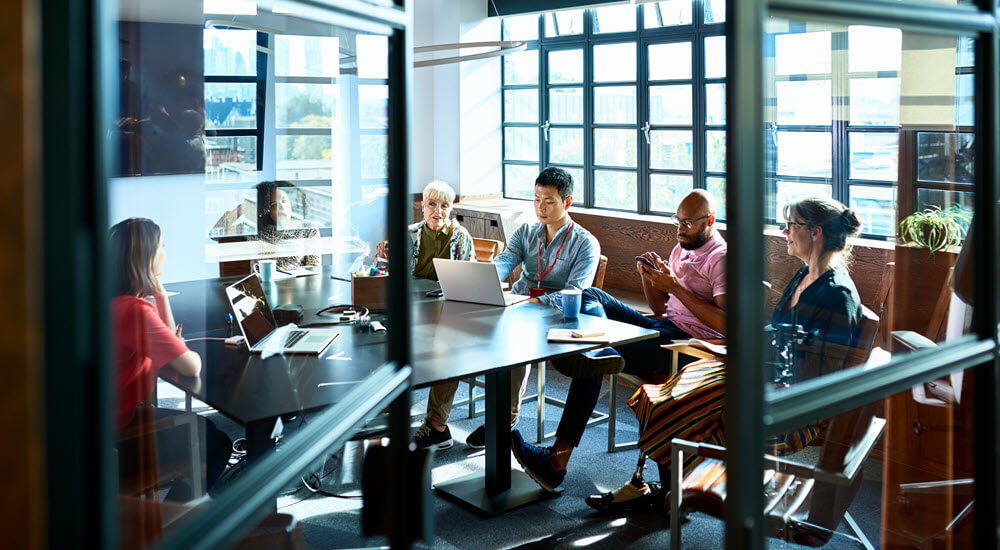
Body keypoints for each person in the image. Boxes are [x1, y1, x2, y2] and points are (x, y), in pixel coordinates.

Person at [583, 195, 864, 513]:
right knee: (663, 394)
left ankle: (673, 493)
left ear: (816, 232)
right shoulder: (805, 275)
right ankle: (667, 489)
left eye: (791, 226)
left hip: (790, 403)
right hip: (764, 375)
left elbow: (815, 377)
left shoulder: (836, 295)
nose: (785, 232)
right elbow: (779, 337)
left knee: (672, 403)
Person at [508, 189, 727, 492]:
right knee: (592, 295)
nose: (679, 230)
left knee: (596, 356)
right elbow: (660, 308)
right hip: (664, 325)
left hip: (691, 345)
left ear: (710, 220)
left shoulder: (721, 260)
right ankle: (591, 345)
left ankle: (556, 461)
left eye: (687, 224)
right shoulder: (682, 249)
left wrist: (675, 287)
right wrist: (650, 279)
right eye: (677, 222)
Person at [414, 167, 601, 450]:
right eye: (536, 199)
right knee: (452, 335)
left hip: (556, 317)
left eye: (549, 201)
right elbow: (503, 262)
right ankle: (437, 426)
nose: (540, 207)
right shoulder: (526, 232)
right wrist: (481, 280)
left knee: (515, 344)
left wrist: (534, 301)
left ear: (567, 202)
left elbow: (575, 292)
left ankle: (503, 419)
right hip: (517, 306)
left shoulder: (585, 243)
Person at [111, 218, 232, 498]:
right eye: (162, 246)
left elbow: (168, 352)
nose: (166, 252)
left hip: (101, 424)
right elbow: (190, 366)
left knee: (208, 431)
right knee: (217, 441)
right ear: (146, 257)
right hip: (117, 440)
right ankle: (178, 523)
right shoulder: (135, 311)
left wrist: (161, 297)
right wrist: (176, 344)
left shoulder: (113, 302)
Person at [374, 180, 474, 280]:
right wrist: (383, 259)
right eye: (432, 204)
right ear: (423, 207)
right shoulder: (407, 235)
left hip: (448, 293)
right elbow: (388, 275)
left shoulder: (461, 236)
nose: (438, 211)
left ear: (450, 209)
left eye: (444, 206)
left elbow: (468, 278)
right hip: (412, 293)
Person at [210, 181, 321, 271]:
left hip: (295, 288)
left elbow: (314, 267)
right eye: (274, 205)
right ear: (266, 210)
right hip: (261, 287)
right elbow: (214, 234)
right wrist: (241, 209)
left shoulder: (307, 228)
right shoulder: (253, 228)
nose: (281, 207)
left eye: (284, 201)